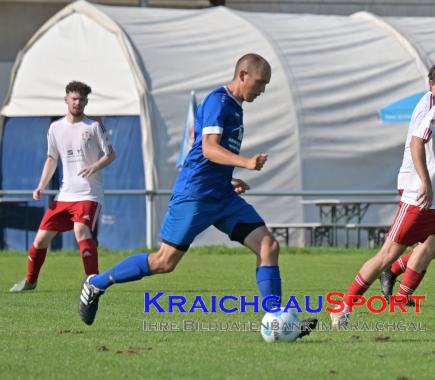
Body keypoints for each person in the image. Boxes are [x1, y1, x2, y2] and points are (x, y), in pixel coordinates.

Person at [77, 54, 317, 337]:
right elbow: (208, 149)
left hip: (221, 195)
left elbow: (214, 157)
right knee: (164, 262)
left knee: (268, 246)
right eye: (260, 82)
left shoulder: (236, 107)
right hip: (196, 194)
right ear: (242, 75)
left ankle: (277, 318)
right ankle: (96, 283)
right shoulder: (219, 102)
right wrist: (246, 162)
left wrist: (229, 179)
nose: (262, 90)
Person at [331, 59, 435, 326]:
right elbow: (416, 141)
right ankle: (343, 306)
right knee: (388, 255)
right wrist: (425, 181)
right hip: (424, 200)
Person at [9, 81, 115, 292]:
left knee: (81, 231)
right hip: (65, 195)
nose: (78, 103)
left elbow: (111, 154)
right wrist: (40, 186)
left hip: (88, 194)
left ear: (86, 102)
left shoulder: (93, 126)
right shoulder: (55, 128)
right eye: (74, 99)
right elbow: (51, 159)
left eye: (82, 99)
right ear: (66, 99)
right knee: (40, 240)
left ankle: (93, 283)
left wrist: (94, 166)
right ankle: (30, 281)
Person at [379, 60, 435, 303]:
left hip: (428, 180)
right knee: (434, 240)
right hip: (417, 181)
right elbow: (419, 146)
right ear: (432, 83)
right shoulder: (428, 108)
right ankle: (402, 294)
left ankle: (392, 270)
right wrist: (426, 181)